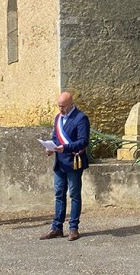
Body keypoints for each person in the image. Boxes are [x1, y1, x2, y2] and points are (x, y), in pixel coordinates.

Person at [40, 91, 90, 241]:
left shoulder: (81, 118)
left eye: (63, 106)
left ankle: (73, 228)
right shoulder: (58, 118)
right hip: (60, 162)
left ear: (71, 104)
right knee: (59, 195)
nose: (61, 109)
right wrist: (50, 148)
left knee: (74, 195)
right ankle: (57, 227)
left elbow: (83, 141)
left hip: (74, 161)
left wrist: (66, 148)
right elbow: (56, 138)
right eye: (59, 106)